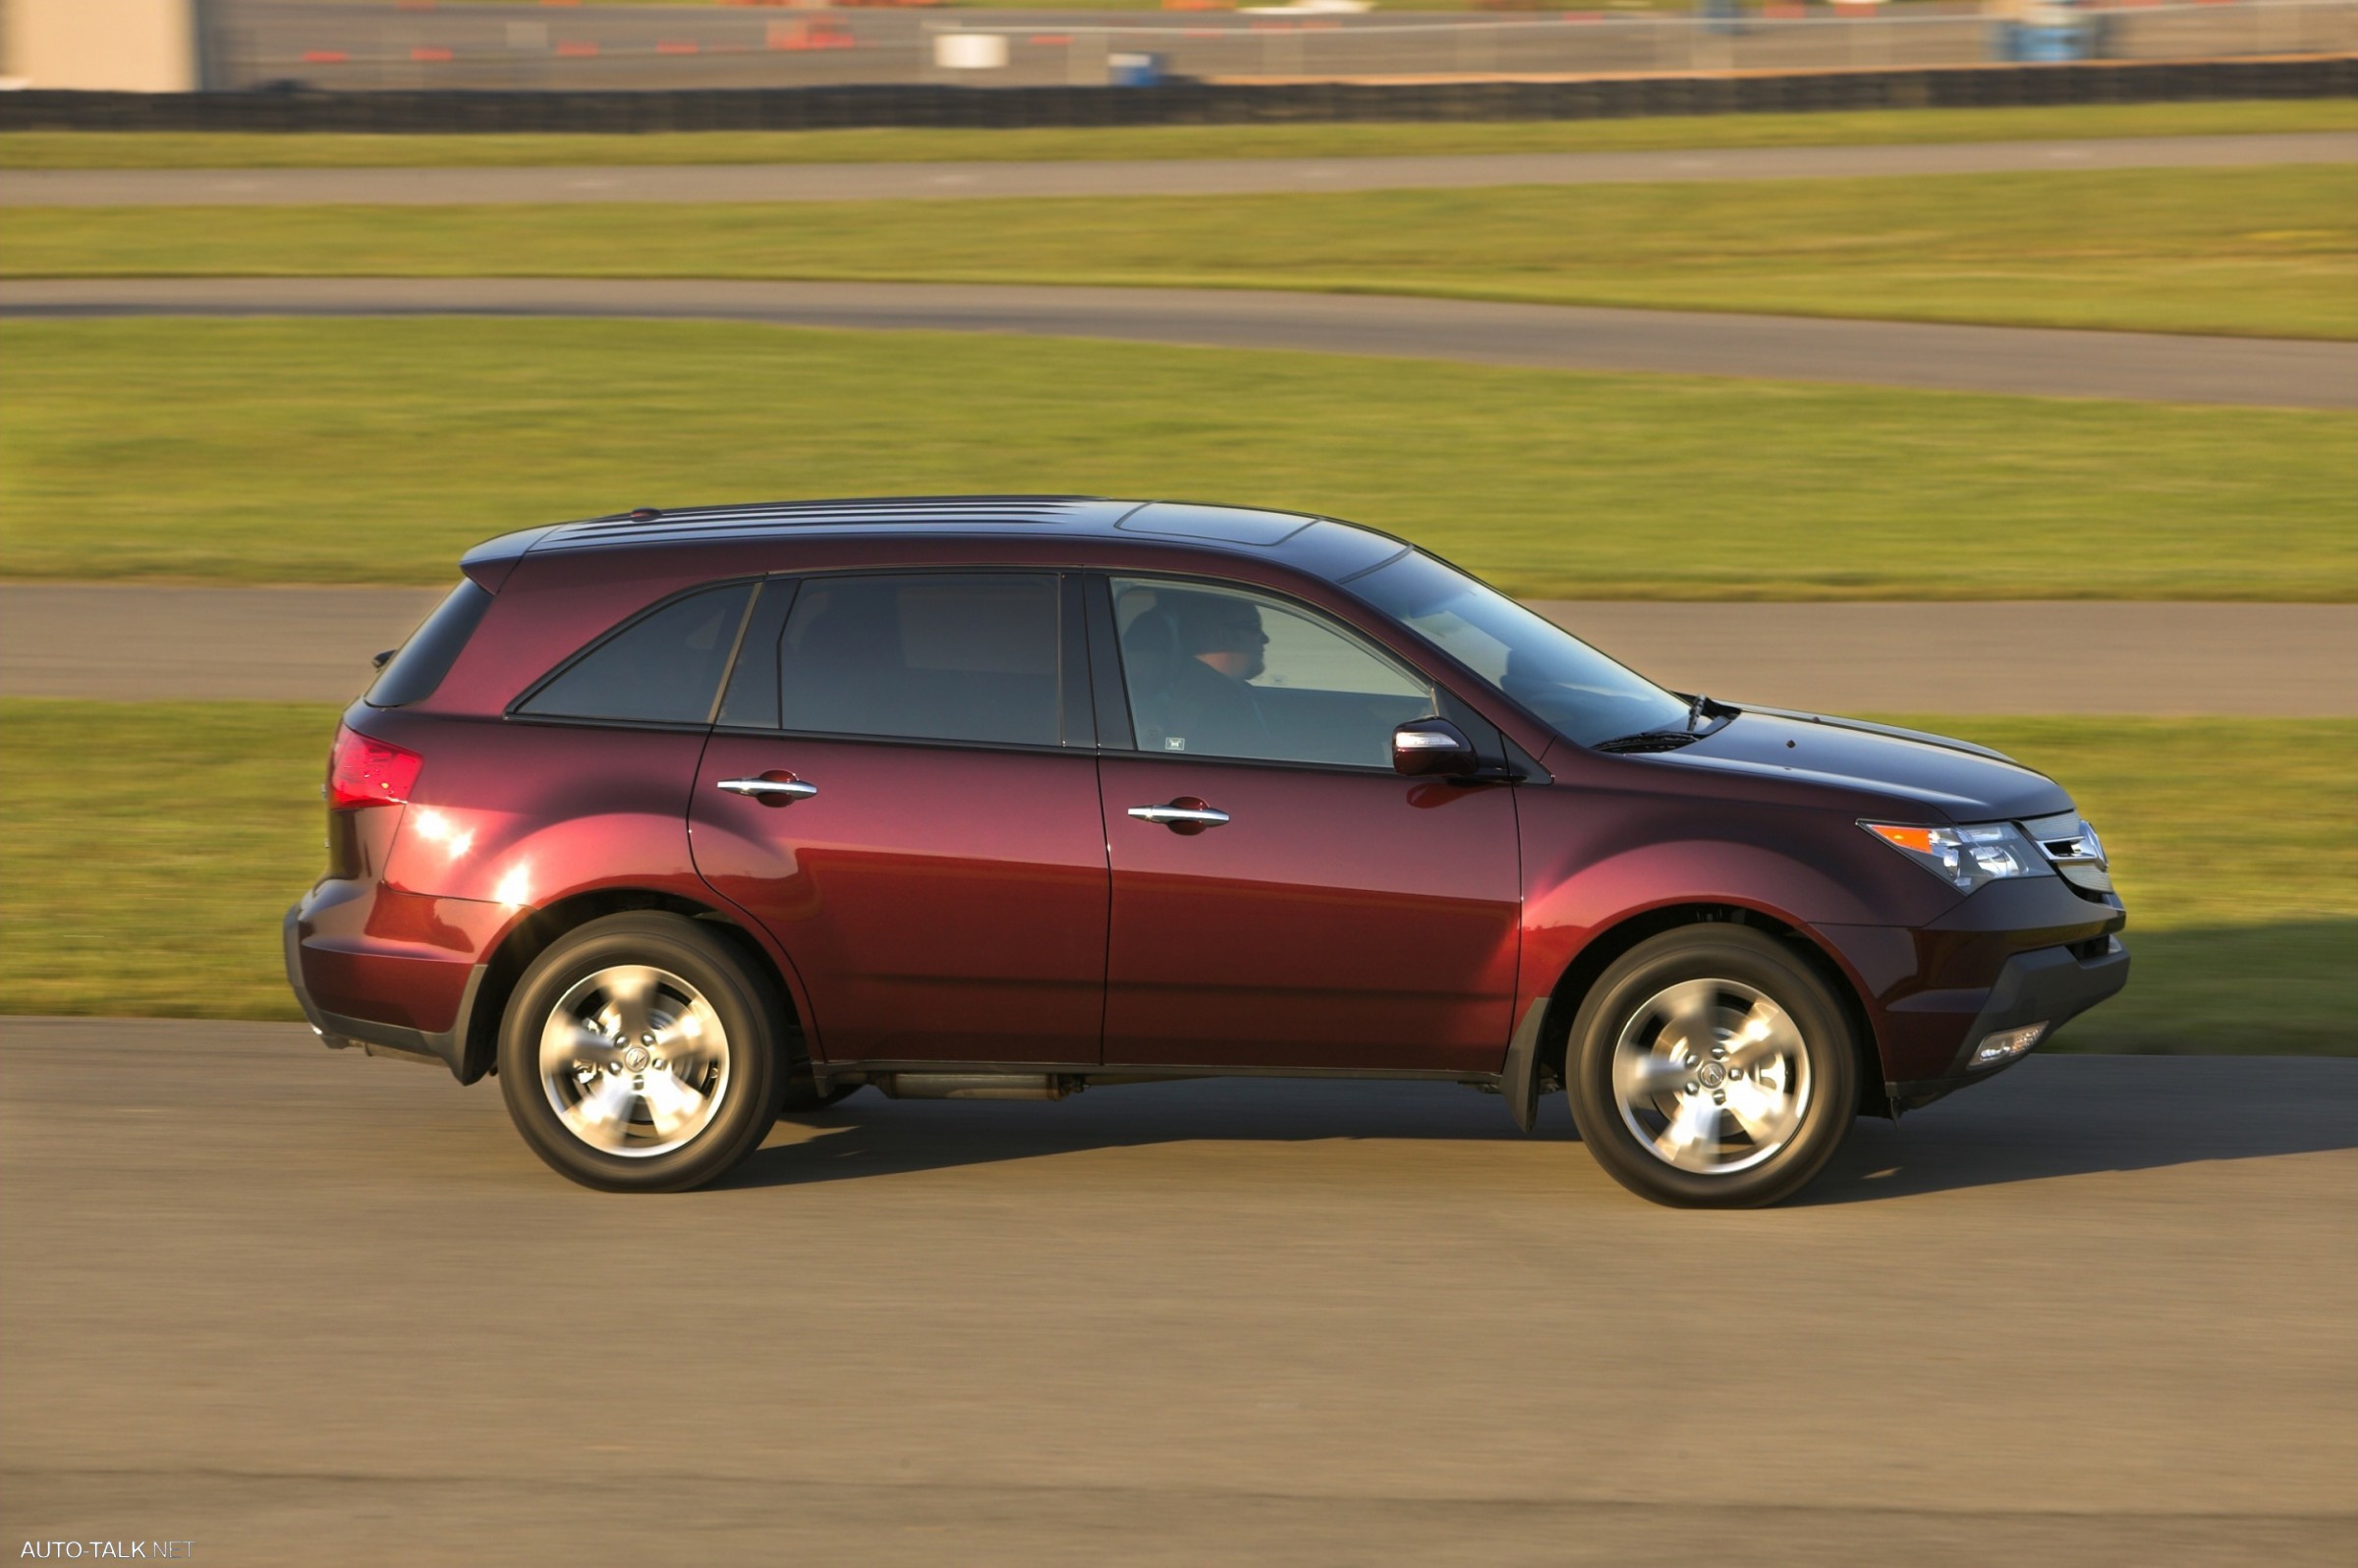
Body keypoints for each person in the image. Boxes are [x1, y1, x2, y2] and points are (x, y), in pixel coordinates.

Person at [1160, 591, 1272, 756]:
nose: (1265, 638)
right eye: (1254, 627)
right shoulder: (1209, 706)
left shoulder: (1224, 691)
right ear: (1223, 636)